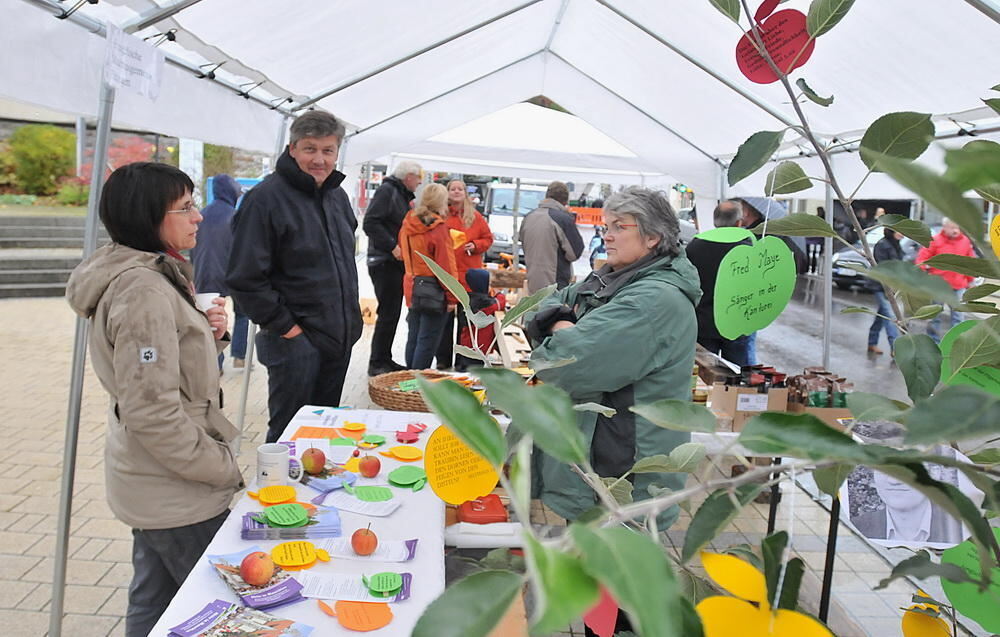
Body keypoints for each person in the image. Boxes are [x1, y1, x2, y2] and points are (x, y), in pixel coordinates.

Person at [66, 163, 244, 637]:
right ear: (148, 216)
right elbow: (152, 410)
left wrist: (208, 336)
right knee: (218, 605)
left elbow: (166, 375)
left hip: (153, 476)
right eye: (185, 207)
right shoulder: (143, 289)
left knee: (155, 595)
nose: (198, 216)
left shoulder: (151, 272)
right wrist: (220, 466)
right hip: (174, 483)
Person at [227, 111, 362, 443]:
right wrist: (289, 329)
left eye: (328, 150)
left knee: (322, 435)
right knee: (290, 437)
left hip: (338, 339)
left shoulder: (337, 197)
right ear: (292, 149)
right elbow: (245, 277)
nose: (319, 159)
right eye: (309, 149)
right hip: (295, 344)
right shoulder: (265, 200)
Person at [362, 160, 423, 376]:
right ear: (409, 176)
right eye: (418, 178)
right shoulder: (388, 191)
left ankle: (384, 358)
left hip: (393, 262)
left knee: (392, 312)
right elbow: (370, 223)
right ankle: (377, 362)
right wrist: (392, 246)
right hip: (384, 261)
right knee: (388, 312)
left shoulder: (400, 195)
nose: (419, 183)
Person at [398, 183, 460, 370]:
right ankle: (418, 382)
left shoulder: (409, 222)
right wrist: (452, 296)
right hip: (432, 288)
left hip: (411, 283)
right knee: (427, 340)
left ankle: (409, 380)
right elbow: (445, 266)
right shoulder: (437, 228)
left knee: (414, 336)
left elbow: (403, 251)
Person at [190, 174, 249, 368]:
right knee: (242, 314)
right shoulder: (236, 217)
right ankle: (239, 356)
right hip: (235, 273)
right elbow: (244, 249)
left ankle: (216, 363)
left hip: (206, 272)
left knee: (212, 317)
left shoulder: (200, 216)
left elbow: (192, 247)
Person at [435, 179, 493, 370]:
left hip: (468, 277)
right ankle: (443, 359)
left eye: (460, 189)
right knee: (444, 322)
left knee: (466, 323)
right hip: (446, 276)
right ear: (447, 193)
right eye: (453, 189)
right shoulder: (440, 215)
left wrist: (475, 245)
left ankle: (463, 361)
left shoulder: (475, 217)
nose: (456, 191)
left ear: (465, 193)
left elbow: (488, 238)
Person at [686, 200, 751, 366]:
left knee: (704, 372)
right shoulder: (748, 248)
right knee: (736, 374)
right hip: (736, 324)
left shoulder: (695, 246)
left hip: (703, 322)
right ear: (739, 223)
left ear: (715, 221)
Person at [916, 218, 976, 343]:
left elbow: (970, 263)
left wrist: (971, 280)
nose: (955, 231)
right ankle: (934, 343)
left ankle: (956, 343)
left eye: (957, 228)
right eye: (952, 228)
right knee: (935, 316)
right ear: (944, 227)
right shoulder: (935, 241)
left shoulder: (965, 241)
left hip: (958, 285)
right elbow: (922, 259)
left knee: (958, 317)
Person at [519, 180, 585, 293]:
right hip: (555, 285)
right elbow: (575, 253)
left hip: (532, 283)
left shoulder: (528, 217)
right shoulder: (562, 219)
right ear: (565, 200)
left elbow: (522, 242)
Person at [454, 268, 506, 371]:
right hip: (478, 345)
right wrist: (499, 294)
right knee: (474, 369)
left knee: (467, 363)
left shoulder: (468, 298)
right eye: (489, 284)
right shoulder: (483, 302)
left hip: (467, 342)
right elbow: (499, 303)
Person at [866, 228, 904, 355]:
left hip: (891, 286)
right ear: (892, 231)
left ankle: (872, 342)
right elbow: (882, 266)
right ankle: (895, 348)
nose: (902, 234)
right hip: (880, 285)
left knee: (882, 316)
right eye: (899, 231)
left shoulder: (896, 245)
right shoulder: (882, 245)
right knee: (890, 316)